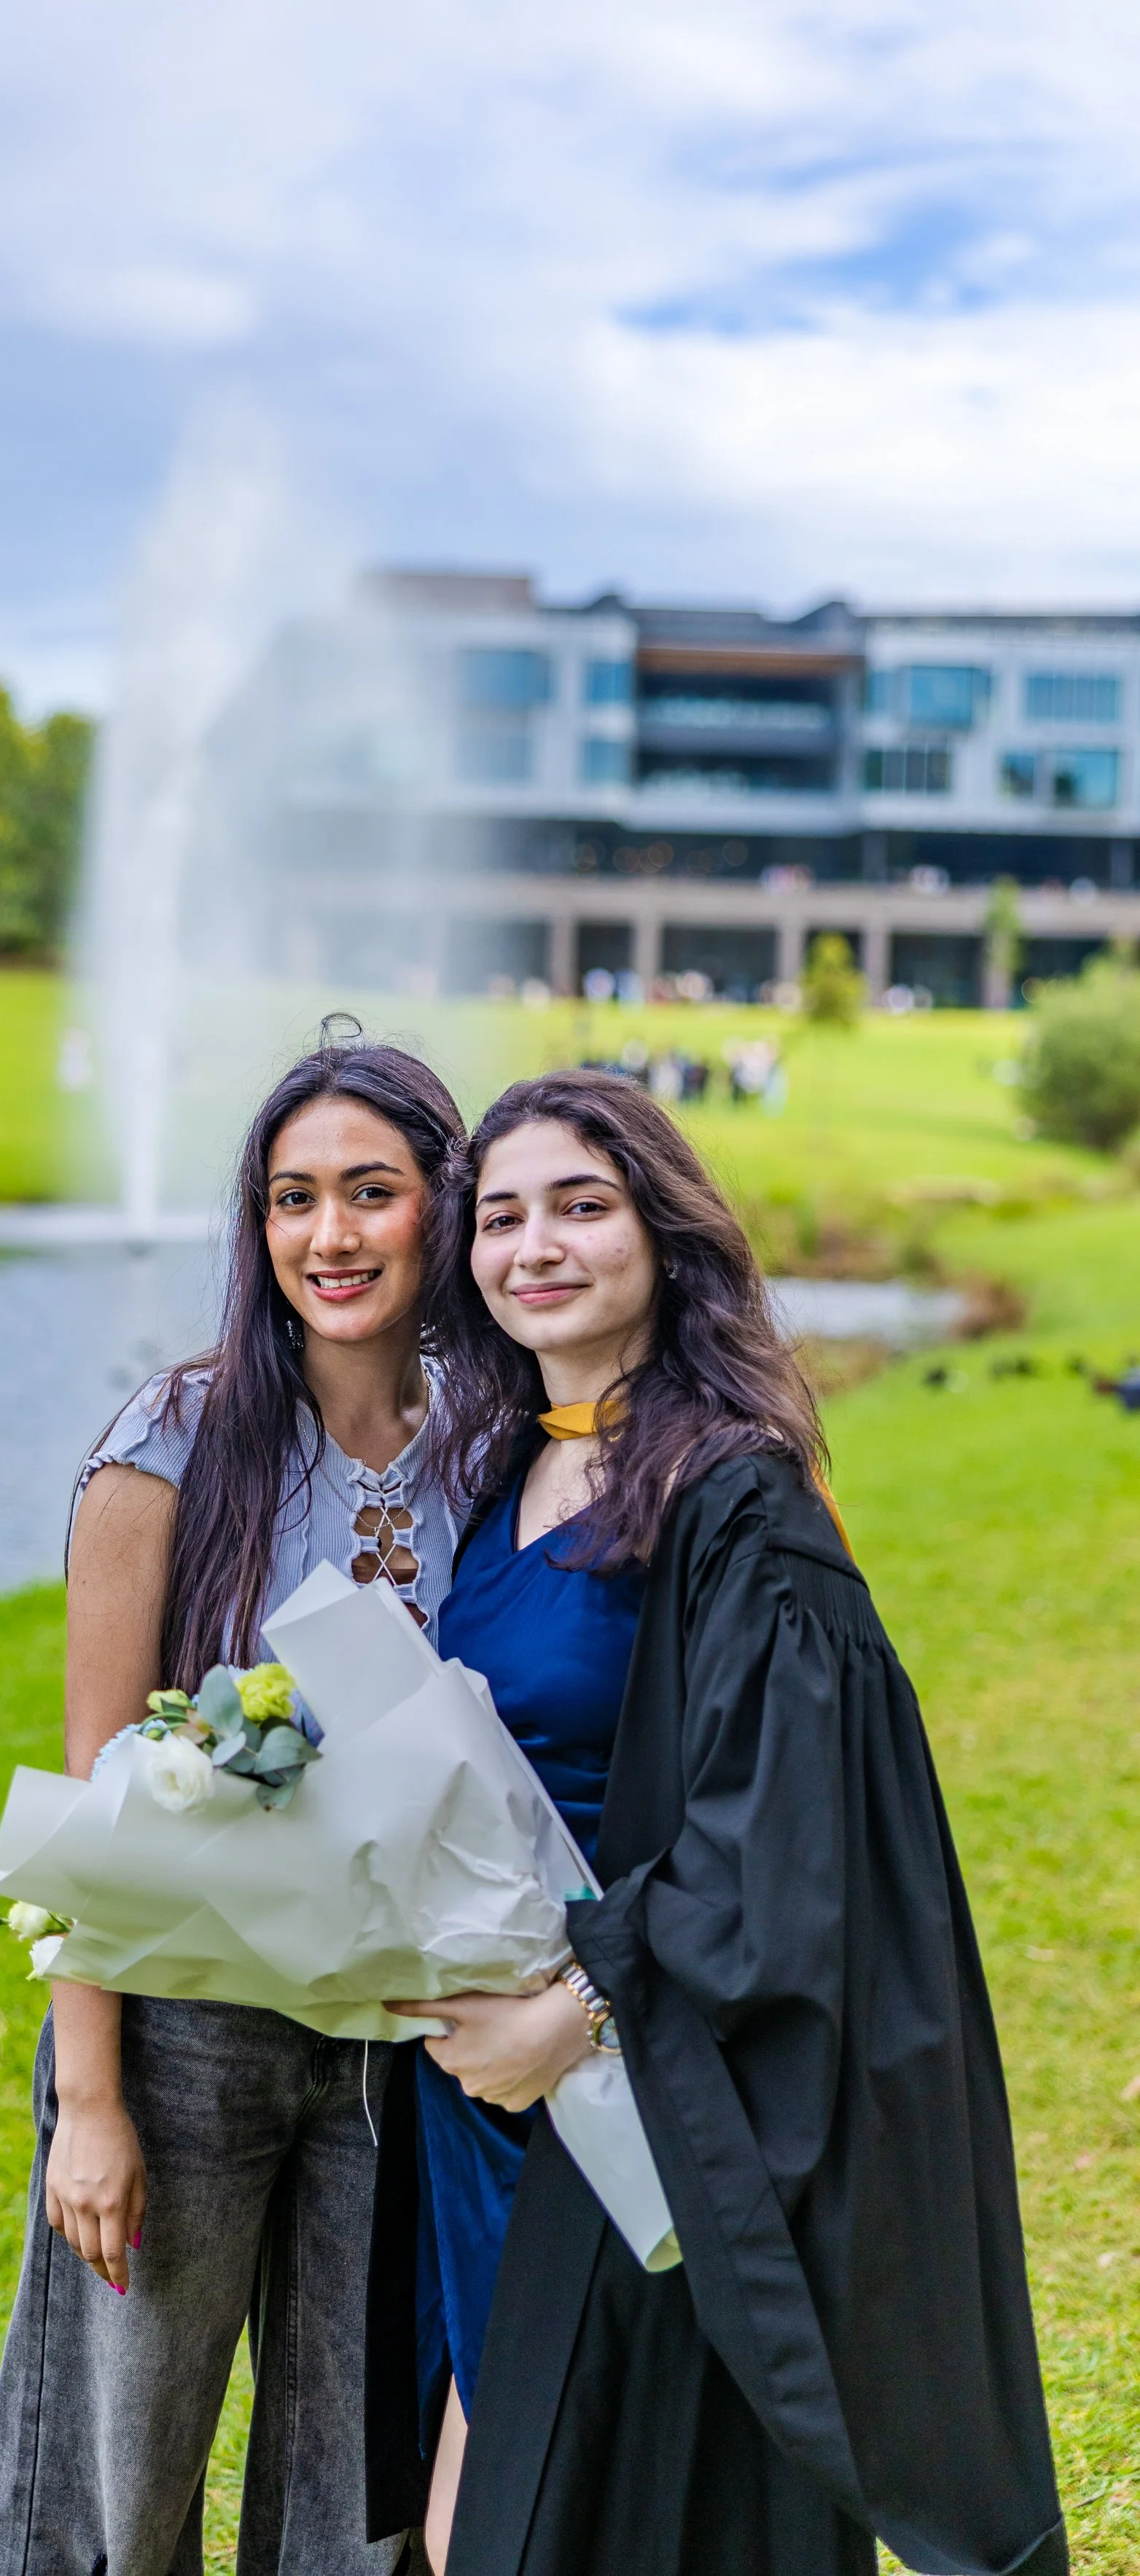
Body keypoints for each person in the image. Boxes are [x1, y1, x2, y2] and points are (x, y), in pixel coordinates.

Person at [366, 1069, 1065, 2576]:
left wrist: (580, 2007)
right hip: (483, 2101)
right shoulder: (507, 1473)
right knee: (470, 2509)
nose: (532, 1246)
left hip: (636, 2087)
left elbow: (792, 1834)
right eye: (499, 1218)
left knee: (597, 2522)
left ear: (661, 1234)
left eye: (579, 1206)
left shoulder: (733, 1500)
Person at [0, 1031, 469, 2576]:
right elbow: (91, 1796)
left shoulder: (494, 1445)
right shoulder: (169, 1443)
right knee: (120, 2481)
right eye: (291, 1199)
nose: (328, 1238)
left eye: (370, 1194)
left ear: (440, 1206)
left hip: (400, 2054)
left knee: (353, 2493)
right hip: (182, 2038)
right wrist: (94, 2101)